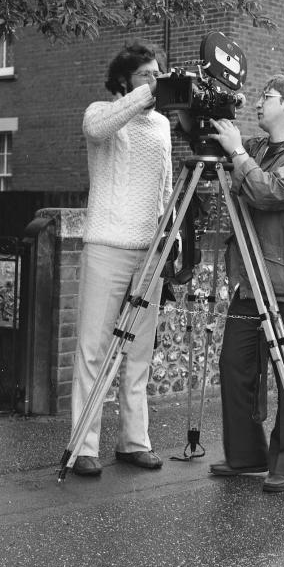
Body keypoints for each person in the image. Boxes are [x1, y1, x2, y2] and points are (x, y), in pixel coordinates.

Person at [207, 74, 284, 493]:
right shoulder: (261, 148)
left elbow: (269, 192)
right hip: (252, 280)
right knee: (235, 364)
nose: (259, 103)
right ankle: (246, 456)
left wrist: (238, 152)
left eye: (268, 97)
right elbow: (233, 172)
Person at [69, 40, 172, 476]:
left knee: (139, 354)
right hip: (107, 246)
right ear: (125, 81)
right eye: (145, 73)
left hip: (149, 252)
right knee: (94, 349)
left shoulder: (164, 125)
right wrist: (143, 95)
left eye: (157, 74)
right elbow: (98, 130)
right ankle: (82, 447)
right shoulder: (101, 113)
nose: (154, 80)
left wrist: (170, 236)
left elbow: (165, 186)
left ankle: (134, 442)